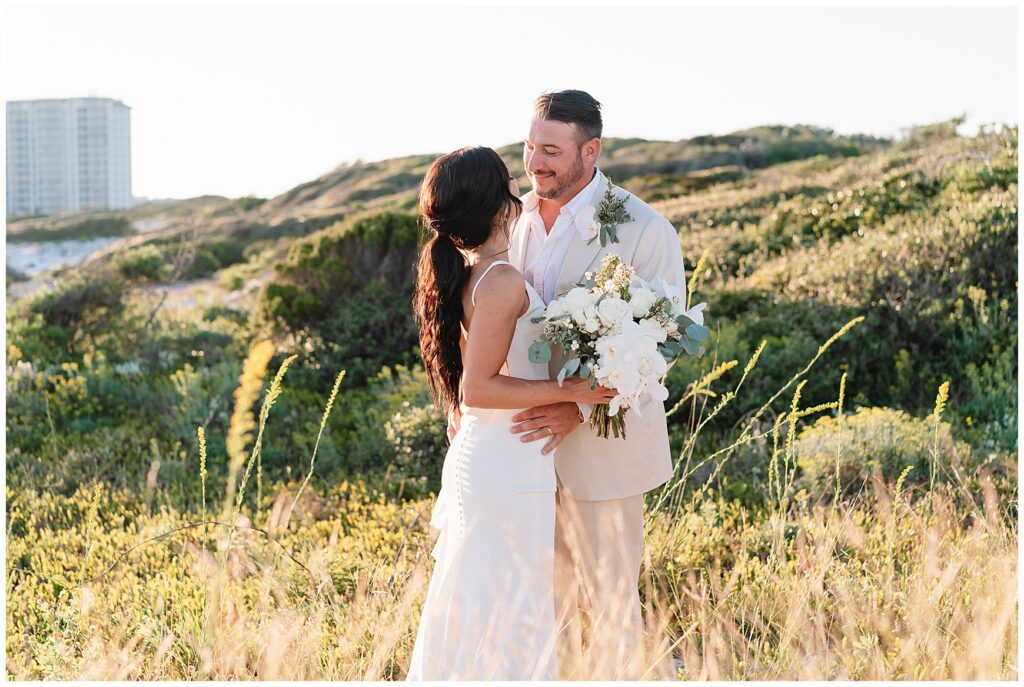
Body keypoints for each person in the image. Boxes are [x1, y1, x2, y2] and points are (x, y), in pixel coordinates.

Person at [405, 145, 616, 681]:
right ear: (498, 202)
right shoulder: (499, 279)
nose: (519, 182)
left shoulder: (483, 272)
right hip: (507, 460)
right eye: (508, 178)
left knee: (493, 601)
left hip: (503, 456)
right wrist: (571, 392)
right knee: (507, 607)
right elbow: (478, 388)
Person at [506, 90, 687, 680]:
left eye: (551, 151)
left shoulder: (642, 228)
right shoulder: (510, 218)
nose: (536, 162)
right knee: (540, 602)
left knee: (610, 603)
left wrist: (577, 411)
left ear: (591, 150)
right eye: (531, 147)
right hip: (520, 445)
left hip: (604, 450)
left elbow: (657, 347)